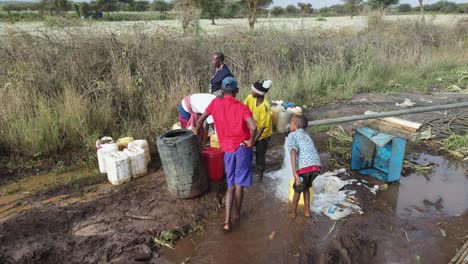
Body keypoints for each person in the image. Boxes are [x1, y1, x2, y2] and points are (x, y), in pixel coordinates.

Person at [195, 77, 257, 232]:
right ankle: (237, 213)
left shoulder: (215, 103)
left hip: (228, 150)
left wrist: (199, 139)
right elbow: (253, 126)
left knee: (229, 186)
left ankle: (227, 222)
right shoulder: (242, 108)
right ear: (236, 91)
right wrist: (251, 141)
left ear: (222, 91)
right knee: (239, 184)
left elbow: (200, 121)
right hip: (243, 148)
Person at [286, 115, 321, 219]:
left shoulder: (292, 135)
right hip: (316, 167)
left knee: (297, 190)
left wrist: (295, 173)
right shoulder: (307, 135)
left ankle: (293, 213)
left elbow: (293, 152)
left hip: (304, 168)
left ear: (295, 126)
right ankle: (307, 212)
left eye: (291, 124)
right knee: (306, 188)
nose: (290, 126)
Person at [244, 80, 273, 182]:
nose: (251, 91)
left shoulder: (265, 107)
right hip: (252, 130)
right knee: (246, 150)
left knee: (260, 154)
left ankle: (260, 174)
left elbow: (263, 127)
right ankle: (249, 170)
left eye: (253, 90)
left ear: (259, 93)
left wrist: (253, 140)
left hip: (262, 135)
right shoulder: (250, 98)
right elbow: (244, 109)